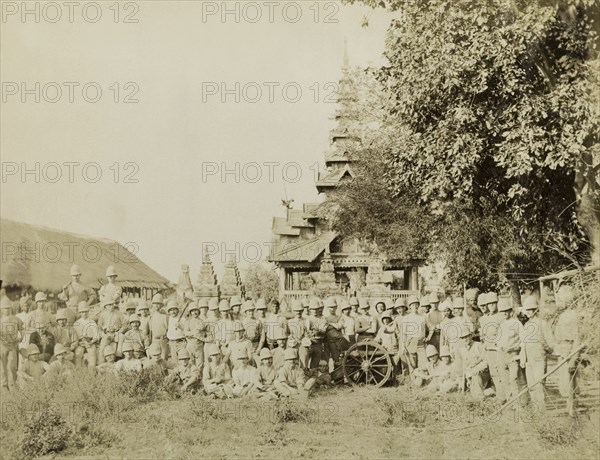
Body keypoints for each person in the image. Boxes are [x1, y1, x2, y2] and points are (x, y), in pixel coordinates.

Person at [520, 295, 554, 411]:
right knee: (531, 386)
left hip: (539, 358)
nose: (528, 312)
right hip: (529, 360)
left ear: (535, 310)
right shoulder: (526, 325)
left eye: (531, 310)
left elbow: (550, 342)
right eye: (527, 310)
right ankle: (535, 410)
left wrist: (546, 348)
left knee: (539, 384)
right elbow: (523, 343)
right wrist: (523, 358)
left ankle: (541, 411)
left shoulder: (542, 323)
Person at [553, 285, 582, 416]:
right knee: (564, 381)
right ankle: (568, 407)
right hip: (562, 351)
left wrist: (574, 357)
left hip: (570, 351)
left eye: (561, 298)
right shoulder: (562, 315)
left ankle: (572, 409)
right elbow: (557, 335)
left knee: (571, 380)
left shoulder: (574, 315)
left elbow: (577, 338)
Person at [496, 297, 526, 407]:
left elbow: (523, 340)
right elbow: (498, 342)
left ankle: (519, 402)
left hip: (513, 354)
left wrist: (519, 354)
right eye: (502, 311)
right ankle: (511, 402)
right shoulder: (502, 325)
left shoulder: (517, 324)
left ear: (510, 311)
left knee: (514, 379)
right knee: (505, 380)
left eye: (506, 311)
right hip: (502, 355)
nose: (504, 313)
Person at [478, 292, 504, 401]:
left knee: (501, 373)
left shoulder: (501, 317)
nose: (492, 306)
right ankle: (500, 396)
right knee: (493, 374)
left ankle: (504, 396)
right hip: (489, 349)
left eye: (494, 303)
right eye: (489, 304)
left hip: (498, 349)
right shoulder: (484, 319)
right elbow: (483, 336)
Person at [459, 325, 489, 399]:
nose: (465, 339)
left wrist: (476, 368)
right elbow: (465, 366)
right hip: (471, 374)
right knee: (472, 394)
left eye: (466, 336)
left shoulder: (478, 345)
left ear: (470, 336)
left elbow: (486, 361)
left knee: (478, 395)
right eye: (463, 338)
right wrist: (467, 379)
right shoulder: (462, 350)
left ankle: (481, 398)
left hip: (483, 373)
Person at [1, 299, 24, 390]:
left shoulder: (15, 319)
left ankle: (12, 385)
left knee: (12, 366)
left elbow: (23, 328)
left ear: (10, 309)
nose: (6, 310)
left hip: (13, 346)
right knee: (2, 366)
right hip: (2, 346)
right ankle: (3, 386)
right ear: (1, 309)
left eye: (8, 308)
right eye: (4, 308)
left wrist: (20, 338)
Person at [97, 299, 126, 364]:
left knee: (121, 338)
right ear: (105, 306)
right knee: (103, 345)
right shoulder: (102, 314)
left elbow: (124, 324)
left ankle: (119, 356)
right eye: (109, 305)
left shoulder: (118, 313)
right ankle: (101, 362)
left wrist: (119, 331)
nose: (111, 306)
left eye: (112, 304)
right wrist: (103, 335)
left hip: (117, 332)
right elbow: (99, 327)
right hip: (107, 333)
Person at [73, 302, 101, 368]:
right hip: (81, 343)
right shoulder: (77, 323)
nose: (84, 314)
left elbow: (96, 335)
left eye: (86, 312)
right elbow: (75, 336)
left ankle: (92, 369)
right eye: (82, 312)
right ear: (79, 313)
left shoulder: (92, 322)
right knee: (78, 352)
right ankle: (78, 370)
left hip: (91, 342)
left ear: (88, 312)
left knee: (92, 352)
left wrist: (91, 342)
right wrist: (81, 342)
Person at [287, 300, 309, 370]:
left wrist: (304, 339)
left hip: (303, 343)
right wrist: (293, 339)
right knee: (292, 361)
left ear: (302, 311)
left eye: (300, 310)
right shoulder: (290, 322)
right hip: (293, 344)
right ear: (293, 311)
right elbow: (288, 334)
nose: (298, 312)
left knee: (304, 361)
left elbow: (307, 333)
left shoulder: (306, 321)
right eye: (296, 311)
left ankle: (304, 375)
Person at [184, 301, 206, 367]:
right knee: (190, 363)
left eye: (196, 310)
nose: (195, 312)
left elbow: (203, 333)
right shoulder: (188, 322)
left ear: (199, 311)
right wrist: (194, 333)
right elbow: (185, 333)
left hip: (199, 345)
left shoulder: (202, 322)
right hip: (190, 345)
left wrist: (196, 334)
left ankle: (199, 377)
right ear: (190, 312)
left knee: (200, 363)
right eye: (193, 311)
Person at [149, 294, 169, 360]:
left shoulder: (165, 316)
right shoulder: (152, 316)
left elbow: (168, 328)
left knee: (163, 359)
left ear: (161, 305)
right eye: (155, 303)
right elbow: (150, 331)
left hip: (163, 339)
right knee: (155, 358)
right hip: (154, 340)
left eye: (158, 303)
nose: (156, 305)